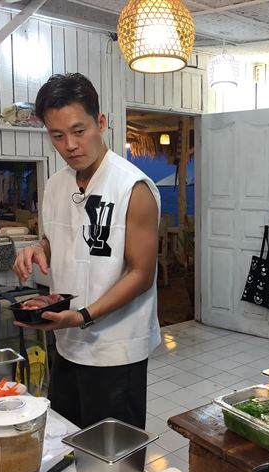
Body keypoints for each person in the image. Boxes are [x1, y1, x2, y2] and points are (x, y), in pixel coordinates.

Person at [13, 73, 161, 429]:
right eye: (57, 135)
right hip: (66, 342)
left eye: (79, 131)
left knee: (113, 458)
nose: (70, 145)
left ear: (102, 122)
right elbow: (62, 239)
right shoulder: (55, 185)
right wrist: (38, 247)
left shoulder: (133, 187)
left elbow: (142, 274)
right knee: (68, 440)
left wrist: (83, 316)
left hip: (116, 347)